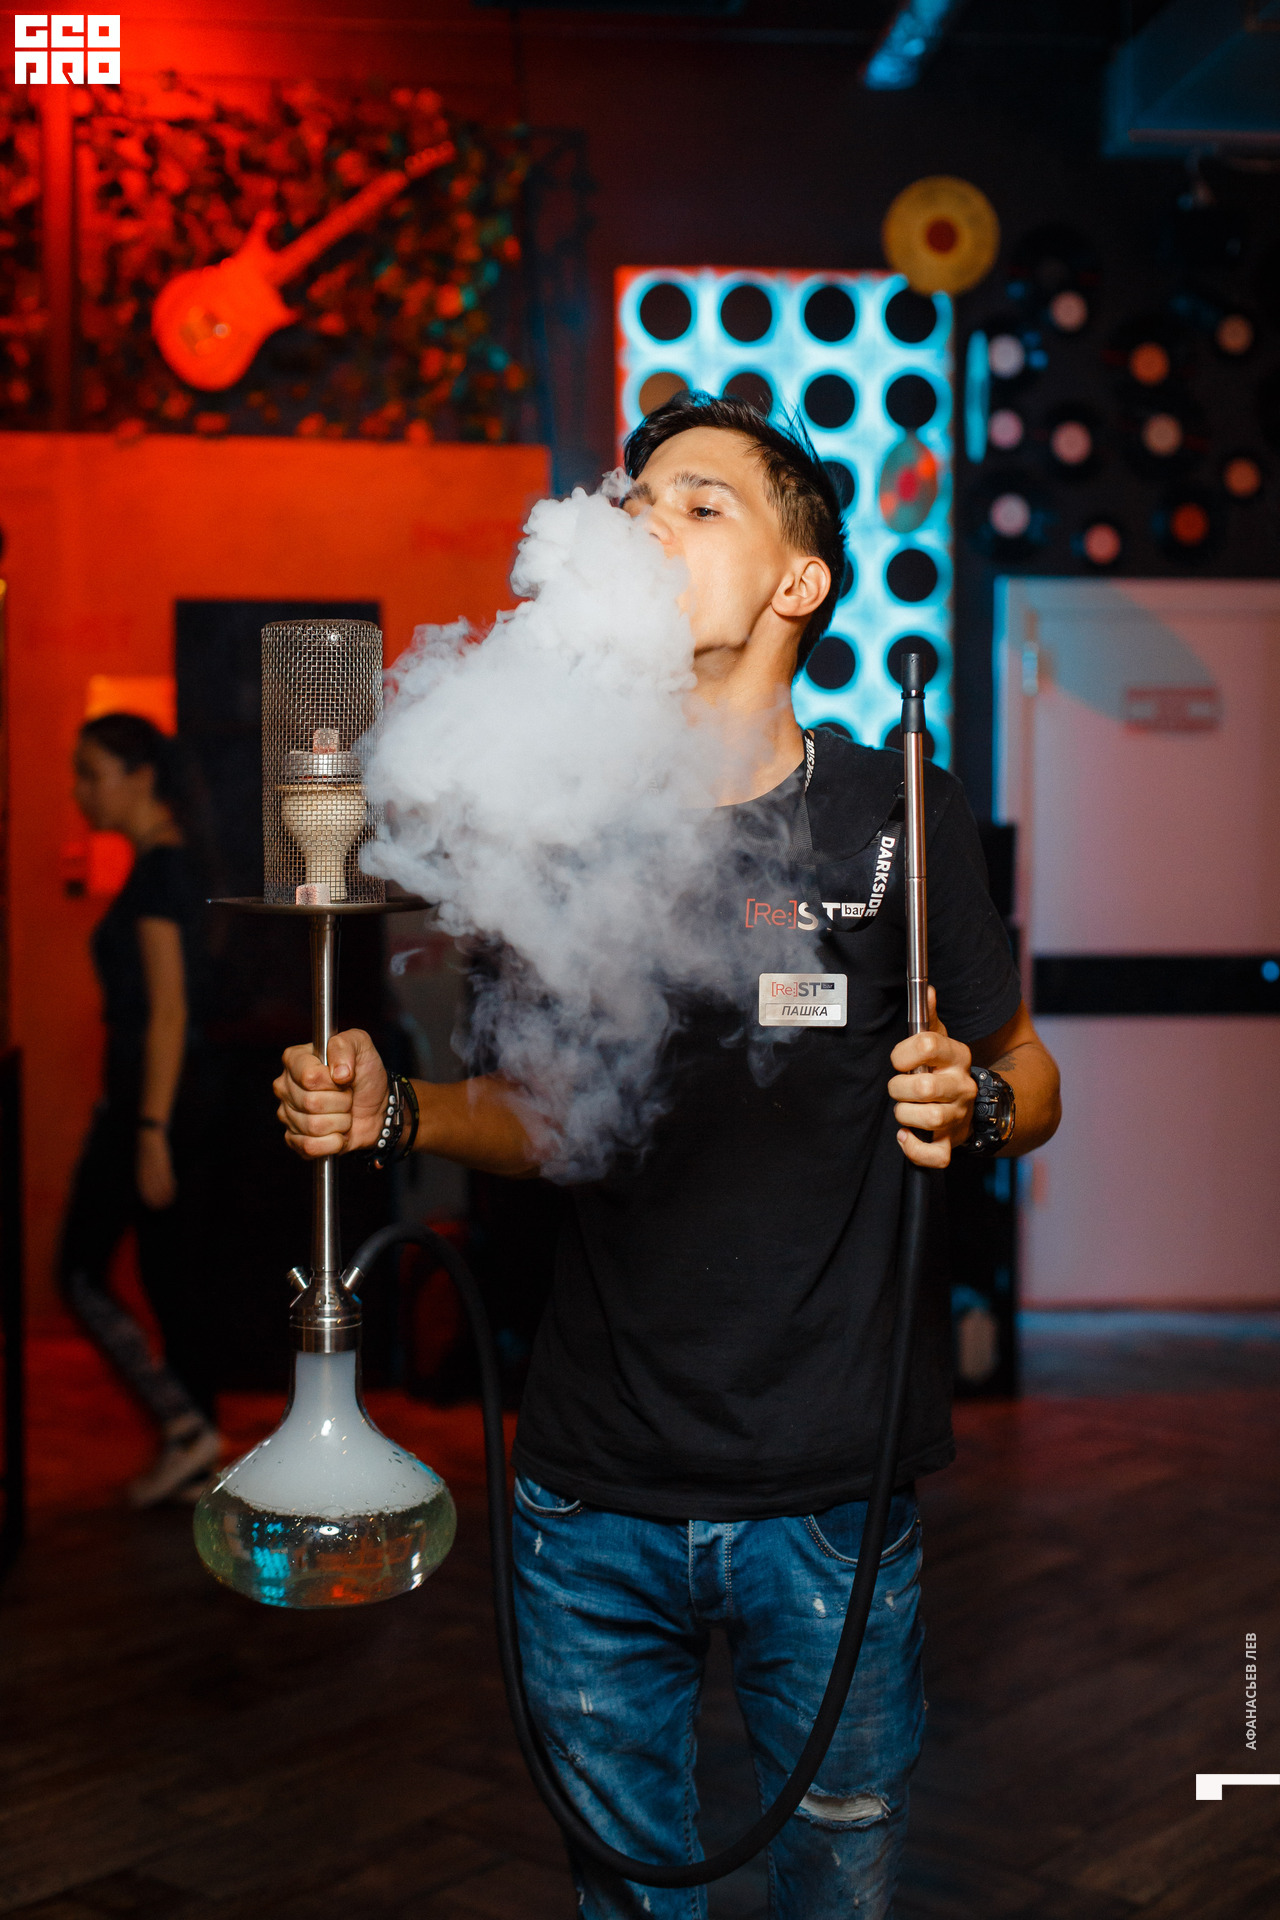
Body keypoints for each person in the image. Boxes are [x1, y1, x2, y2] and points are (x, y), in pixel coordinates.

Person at [273, 394, 1062, 1918]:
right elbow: (545, 1113)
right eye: (637, 500)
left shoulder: (892, 812)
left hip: (828, 1489)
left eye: (702, 504)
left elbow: (1029, 1075)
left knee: (839, 1876)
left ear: (798, 582)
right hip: (591, 1493)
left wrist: (971, 1102)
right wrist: (398, 1110)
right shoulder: (559, 819)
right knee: (627, 1893)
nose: (646, 519)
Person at [62, 712, 221, 1507]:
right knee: (170, 1274)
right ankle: (192, 1435)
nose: (80, 791)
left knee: (80, 1270)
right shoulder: (165, 866)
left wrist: (150, 1129)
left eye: (91, 773)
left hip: (151, 1109)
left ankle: (187, 1426)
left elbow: (169, 1010)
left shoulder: (162, 872)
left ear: (141, 777)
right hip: (152, 1105)